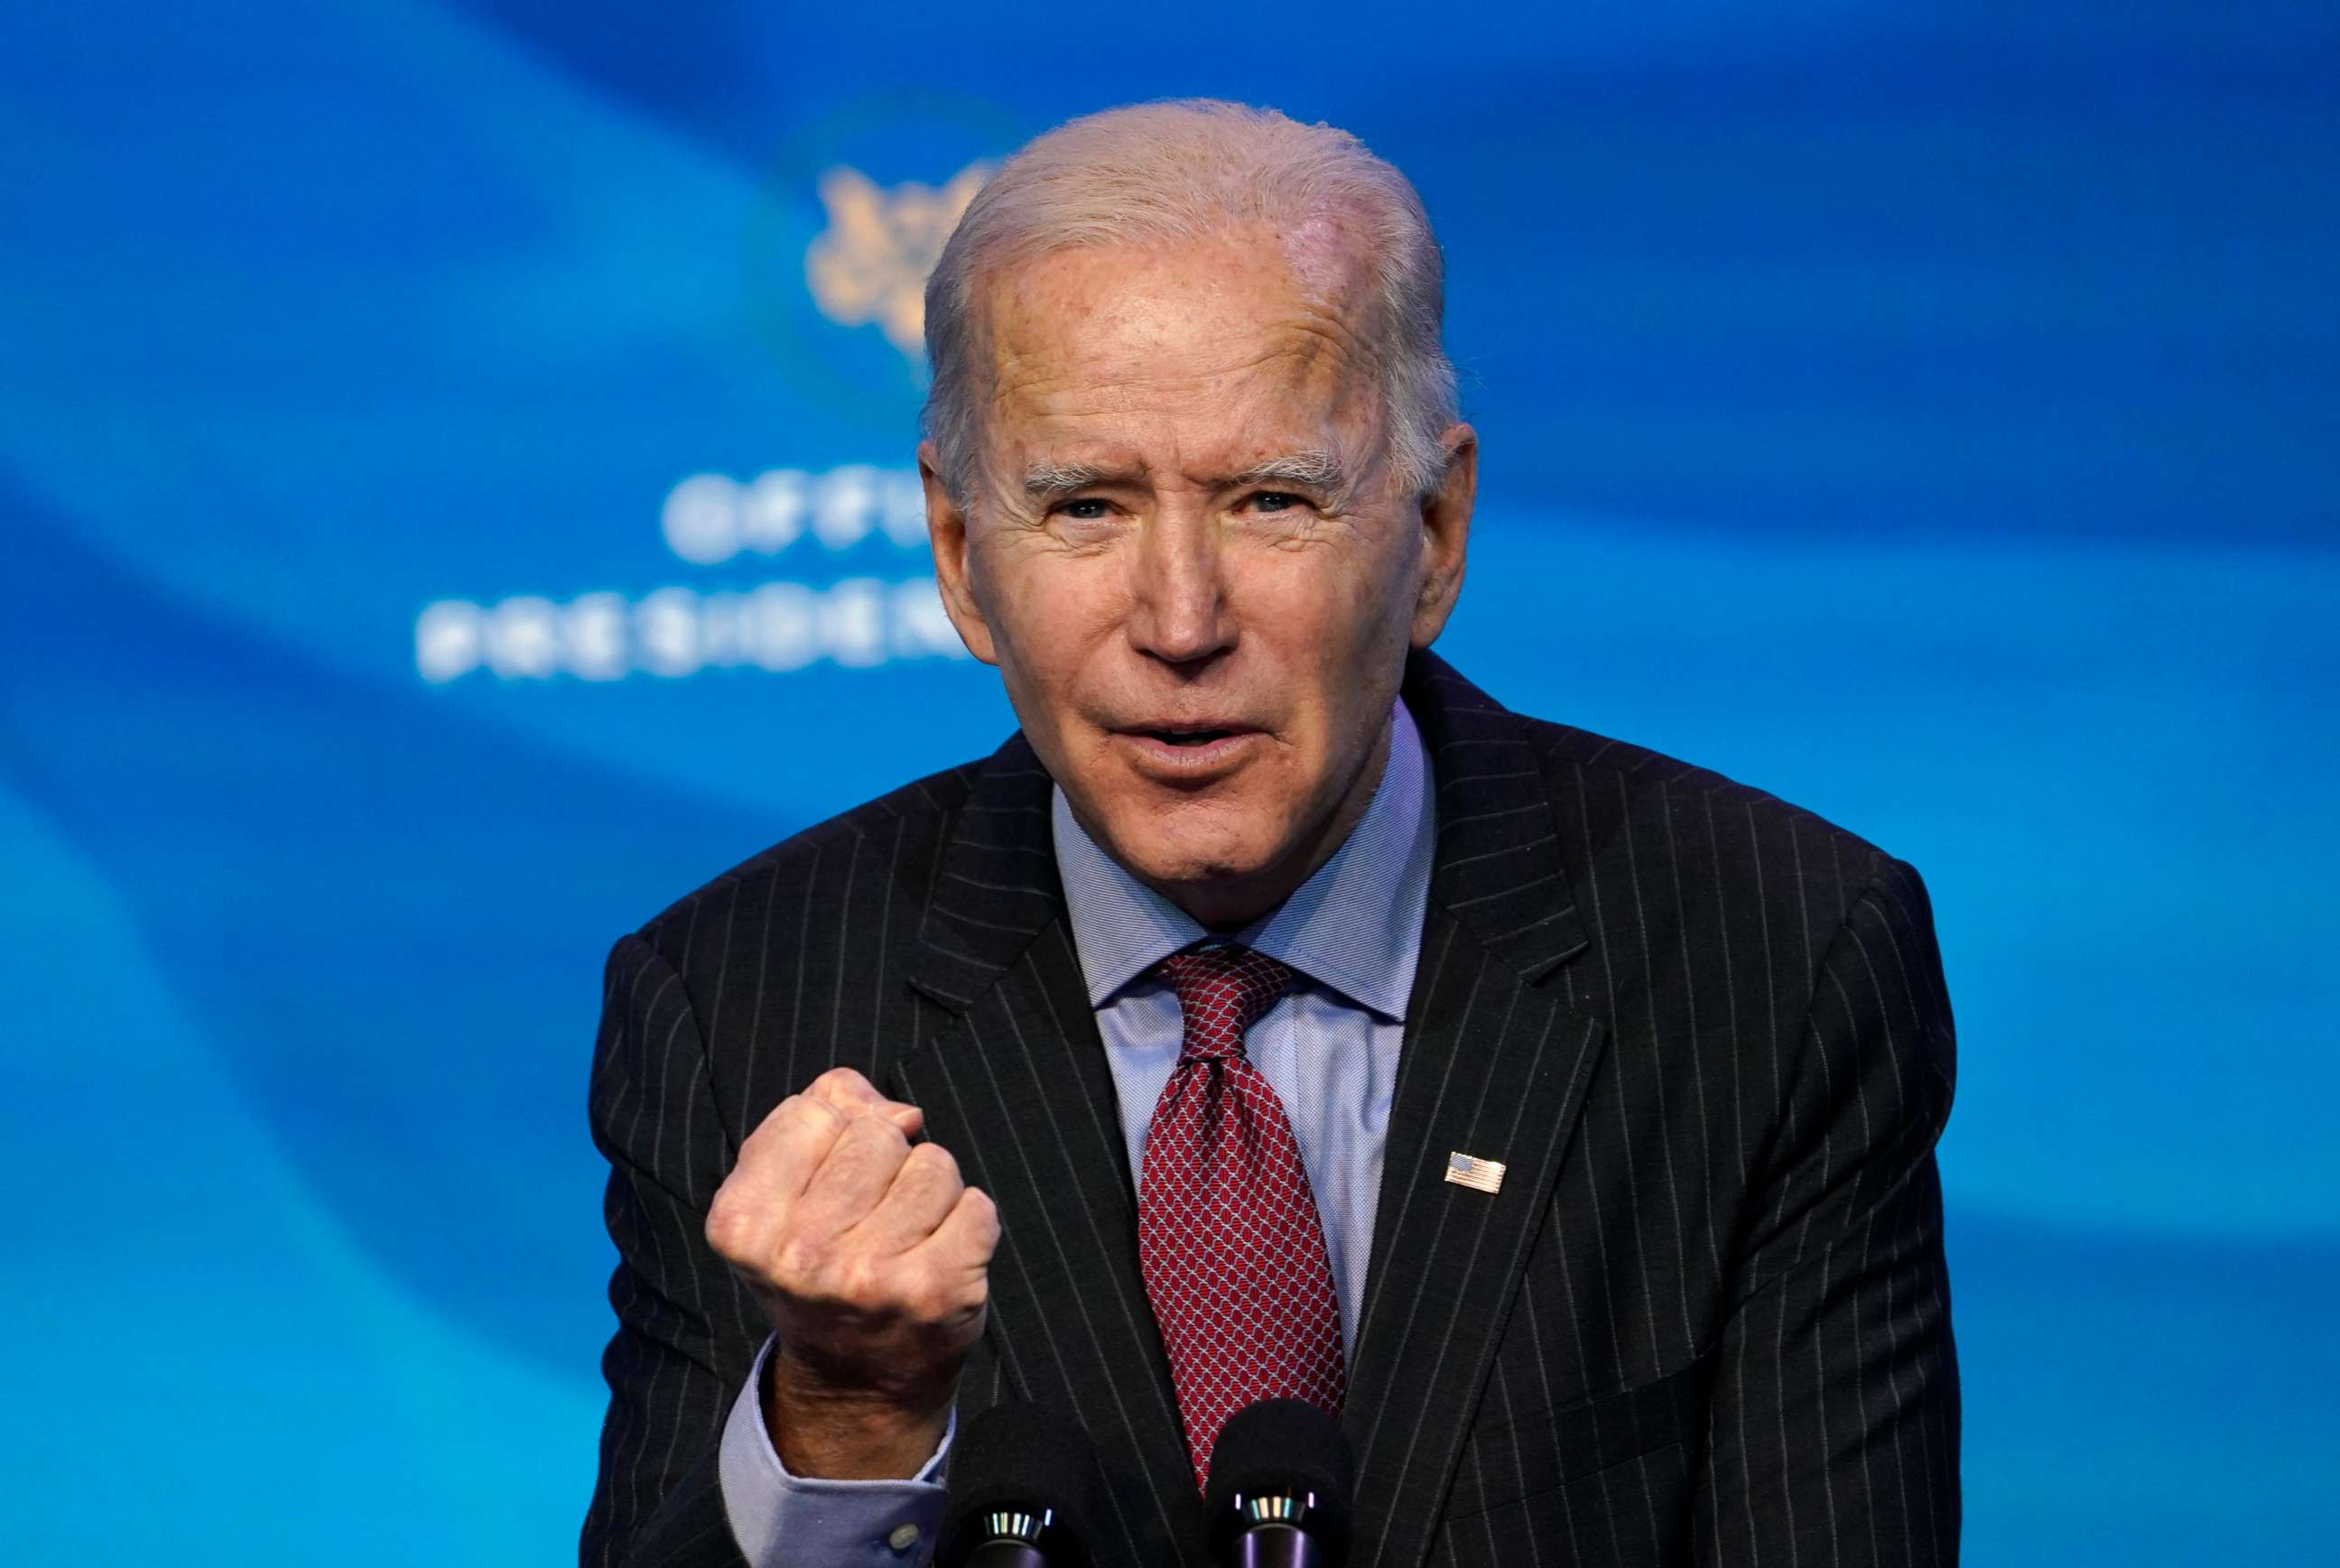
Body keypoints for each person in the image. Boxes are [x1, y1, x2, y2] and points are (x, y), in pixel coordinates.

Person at [580, 98, 1959, 1568]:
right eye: (1088, 506)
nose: (1181, 622)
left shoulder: (1768, 958)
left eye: (1271, 499)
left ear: (1433, 535)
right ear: (963, 558)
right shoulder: (741, 1006)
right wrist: (843, 1429)